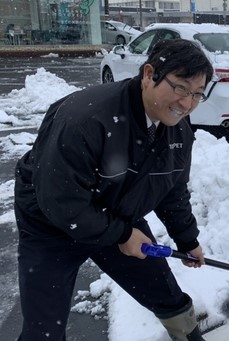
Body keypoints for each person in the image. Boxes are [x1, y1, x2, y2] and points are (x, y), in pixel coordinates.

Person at [14, 39, 213, 341]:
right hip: (51, 228)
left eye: (198, 94)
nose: (187, 104)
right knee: (43, 330)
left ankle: (188, 336)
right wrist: (122, 236)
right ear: (149, 74)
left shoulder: (178, 131)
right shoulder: (85, 119)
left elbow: (171, 189)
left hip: (115, 214)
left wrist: (187, 239)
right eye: (180, 88)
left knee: (165, 291)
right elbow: (62, 202)